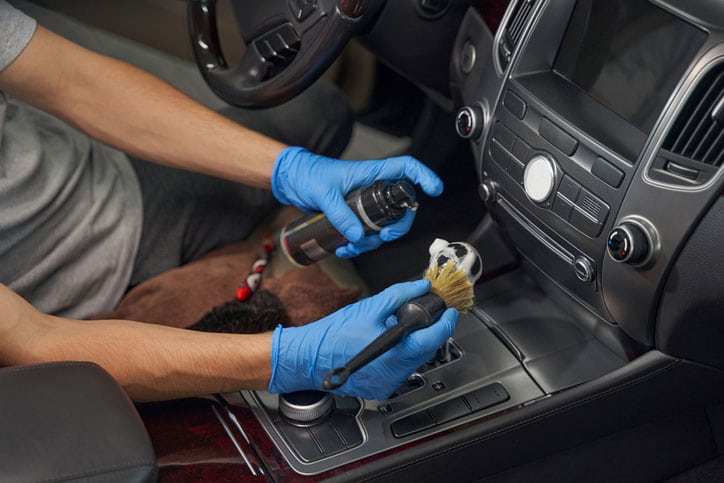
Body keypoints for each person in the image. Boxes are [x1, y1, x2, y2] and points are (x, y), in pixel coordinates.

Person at [0, 1, 458, 402]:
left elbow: (75, 84)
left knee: (317, 110)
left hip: (107, 184)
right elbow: (35, 343)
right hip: (71, 304)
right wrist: (290, 360)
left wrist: (286, 168)